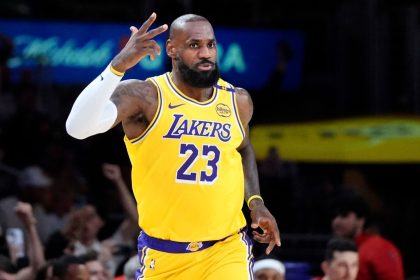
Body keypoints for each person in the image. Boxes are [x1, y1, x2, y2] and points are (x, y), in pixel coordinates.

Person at [66, 12, 281, 279]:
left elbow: (243, 147)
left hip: (225, 250)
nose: (206, 53)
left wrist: (256, 203)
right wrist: (118, 66)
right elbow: (76, 128)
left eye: (210, 44)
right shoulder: (146, 96)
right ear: (171, 49)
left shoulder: (237, 101)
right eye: (194, 45)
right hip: (164, 256)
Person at [330, 190, 404, 280]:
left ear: (361, 220)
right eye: (334, 216)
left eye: (344, 215)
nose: (336, 221)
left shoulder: (377, 248)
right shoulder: (340, 249)